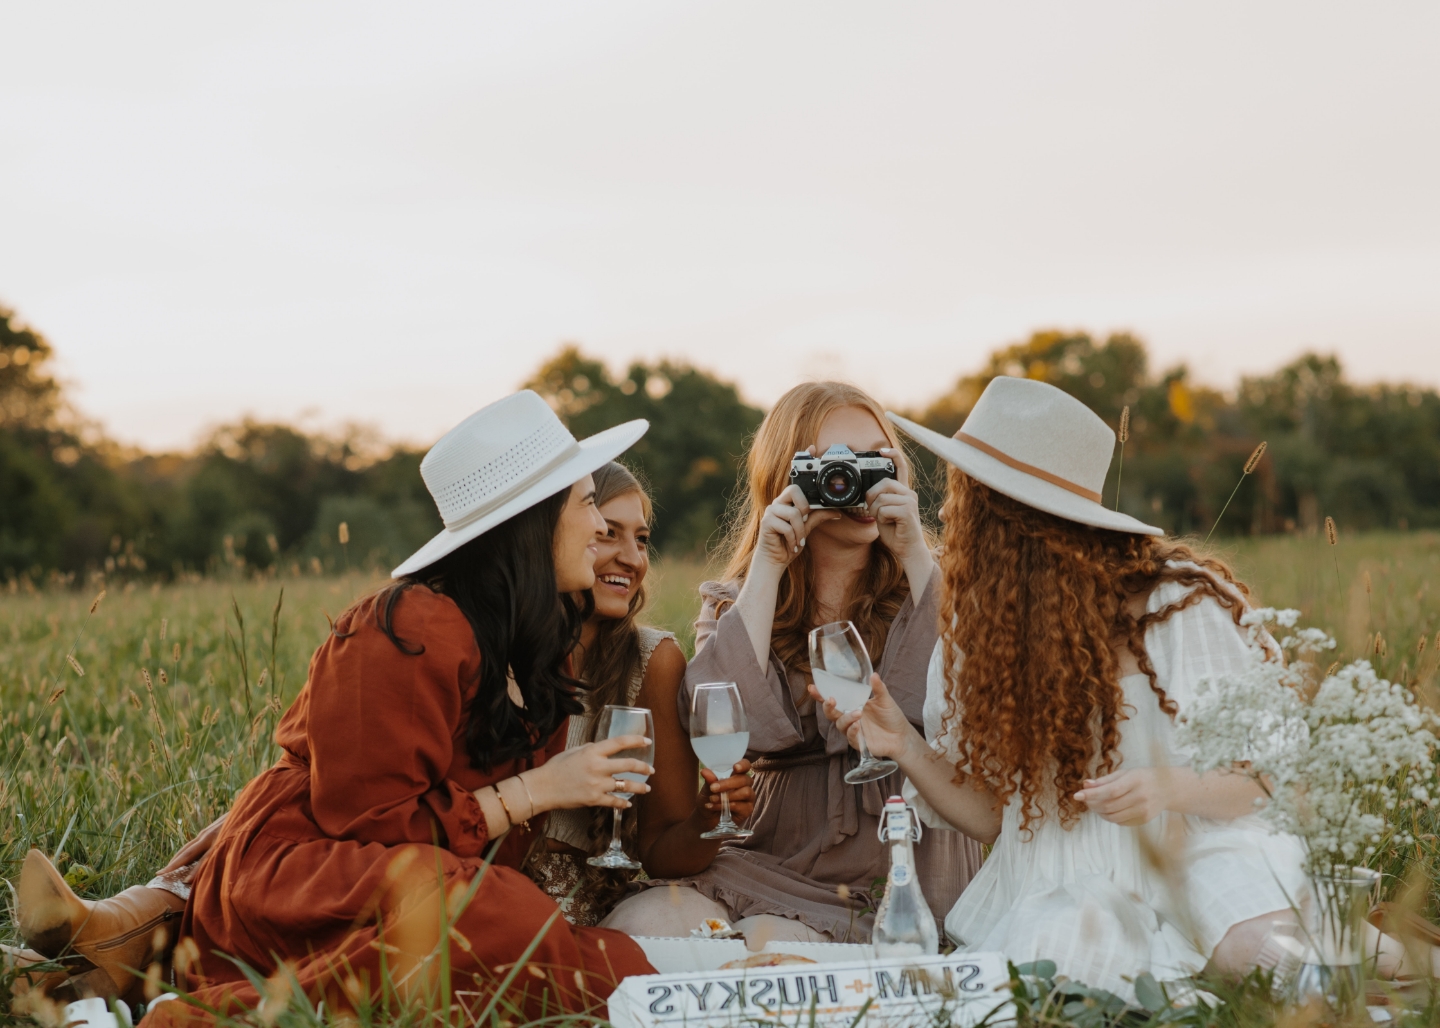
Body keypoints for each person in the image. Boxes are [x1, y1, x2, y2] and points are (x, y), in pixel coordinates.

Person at [17, 390, 659, 1021]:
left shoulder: (545, 645)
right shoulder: (405, 630)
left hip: (421, 884)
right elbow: (371, 821)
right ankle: (192, 1015)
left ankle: (106, 986)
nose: (603, 527)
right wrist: (538, 790)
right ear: (534, 521)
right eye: (586, 505)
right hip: (309, 871)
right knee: (501, 918)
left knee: (531, 930)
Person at [817, 374, 1440, 997]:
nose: (949, 513)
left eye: (967, 497)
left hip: (1198, 854)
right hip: (1061, 879)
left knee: (1265, 955)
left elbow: (1280, 782)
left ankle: (1400, 963)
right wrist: (902, 741)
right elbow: (989, 818)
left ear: (1019, 522)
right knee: (1063, 958)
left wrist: (1166, 787)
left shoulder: (1179, 605)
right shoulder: (976, 629)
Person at [602, 381, 984, 945]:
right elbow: (720, 718)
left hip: (907, 860)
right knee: (645, 925)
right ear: (788, 478)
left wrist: (913, 552)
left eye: (876, 459)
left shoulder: (941, 582)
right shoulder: (740, 601)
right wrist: (769, 561)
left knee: (767, 947)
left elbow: (969, 689)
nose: (854, 481)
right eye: (835, 464)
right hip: (771, 858)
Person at [526, 461, 756, 925]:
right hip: (483, 890)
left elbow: (662, 854)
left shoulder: (653, 660)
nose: (633, 558)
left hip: (590, 913)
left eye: (642, 539)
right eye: (609, 533)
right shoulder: (495, 647)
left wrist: (706, 821)